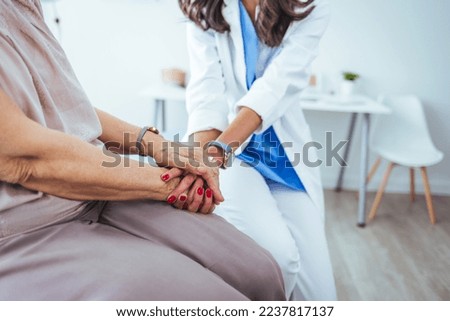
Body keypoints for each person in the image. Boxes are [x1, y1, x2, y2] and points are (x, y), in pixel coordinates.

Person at [0, 0, 286, 301]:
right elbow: (23, 157)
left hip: (92, 194)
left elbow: (58, 105)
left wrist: (158, 146)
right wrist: (172, 182)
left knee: (261, 272)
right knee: (217, 300)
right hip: (24, 223)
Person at [177, 0, 337, 300]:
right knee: (280, 260)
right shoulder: (203, 6)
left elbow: (277, 86)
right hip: (230, 156)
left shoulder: (310, 6)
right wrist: (204, 162)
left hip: (281, 158)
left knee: (320, 297)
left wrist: (218, 151)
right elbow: (205, 90)